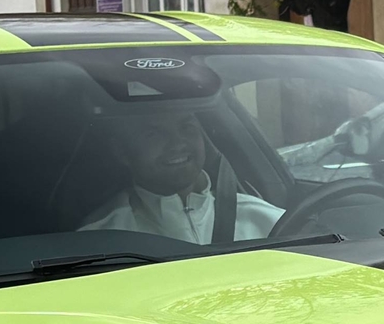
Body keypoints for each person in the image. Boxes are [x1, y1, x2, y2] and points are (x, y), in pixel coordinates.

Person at [81, 103, 280, 246]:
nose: (177, 144)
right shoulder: (99, 241)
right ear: (122, 152)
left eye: (187, 128)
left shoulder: (267, 221)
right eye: (154, 134)